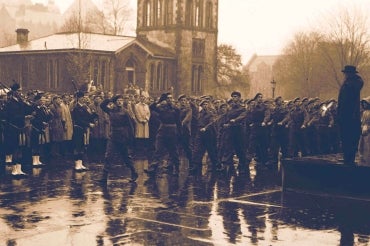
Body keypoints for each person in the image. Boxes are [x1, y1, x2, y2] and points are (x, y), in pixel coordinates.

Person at [99, 95, 138, 184]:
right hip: (113, 136)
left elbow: (131, 126)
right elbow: (102, 106)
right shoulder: (111, 110)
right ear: (115, 102)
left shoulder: (125, 112)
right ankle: (104, 177)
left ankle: (134, 172)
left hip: (123, 136)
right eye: (118, 100)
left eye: (121, 100)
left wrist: (131, 138)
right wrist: (109, 99)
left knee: (126, 157)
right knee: (108, 156)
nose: (120, 102)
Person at [337, 65, 364, 165]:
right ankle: (347, 157)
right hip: (344, 116)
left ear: (352, 74)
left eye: (347, 73)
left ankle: (350, 158)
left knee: (351, 138)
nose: (345, 75)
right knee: (345, 138)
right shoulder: (346, 84)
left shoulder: (354, 82)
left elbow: (359, 84)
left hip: (351, 116)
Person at [358, 97, 370, 166]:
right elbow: (362, 122)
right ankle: (363, 161)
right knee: (361, 146)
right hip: (363, 133)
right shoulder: (363, 112)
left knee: (368, 147)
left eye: (366, 103)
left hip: (368, 133)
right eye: (363, 103)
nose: (364, 104)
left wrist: (368, 127)